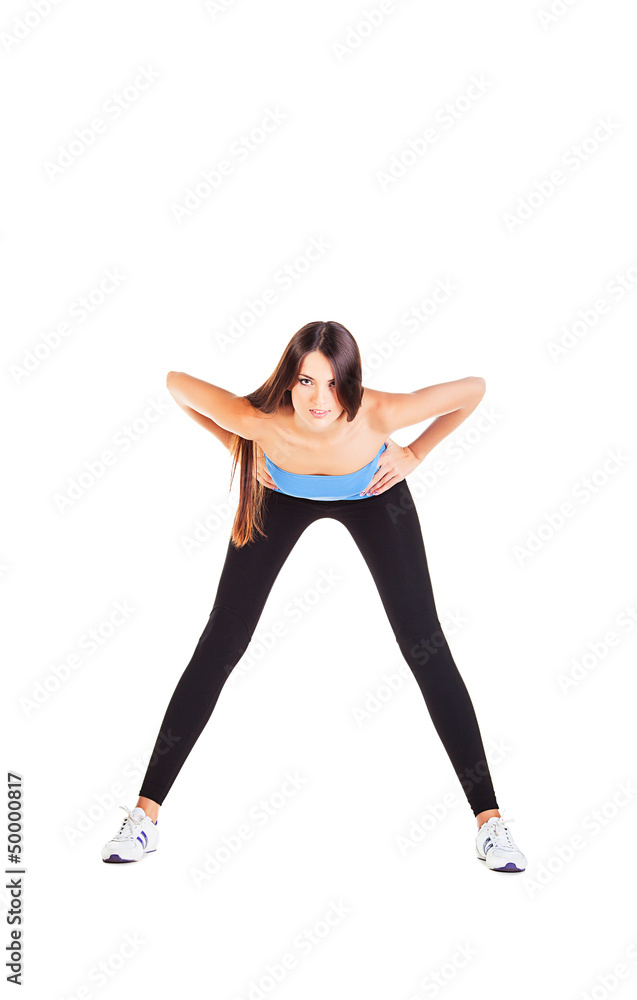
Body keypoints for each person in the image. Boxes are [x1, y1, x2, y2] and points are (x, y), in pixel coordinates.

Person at [101, 320, 526, 873]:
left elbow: (474, 390)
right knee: (221, 642)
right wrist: (241, 448)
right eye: (305, 382)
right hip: (280, 495)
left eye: (331, 383)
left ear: (350, 382)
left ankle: (490, 824)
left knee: (426, 644)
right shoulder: (260, 420)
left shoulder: (380, 413)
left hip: (374, 495)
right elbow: (176, 383)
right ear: (289, 380)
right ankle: (144, 817)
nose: (318, 399)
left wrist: (416, 453)